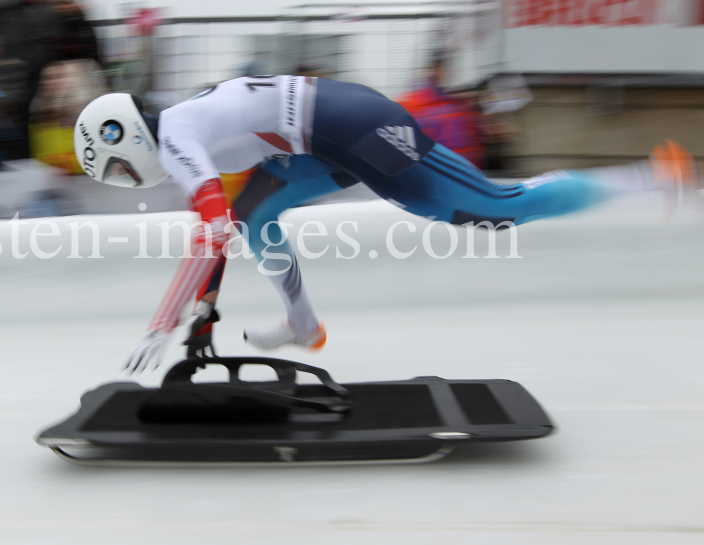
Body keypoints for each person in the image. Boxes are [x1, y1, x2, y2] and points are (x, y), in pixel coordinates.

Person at [73, 76, 697, 373]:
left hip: (351, 127)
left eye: (123, 172)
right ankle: (303, 325)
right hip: (322, 133)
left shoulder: (178, 137)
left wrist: (163, 325)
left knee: (492, 209)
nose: (132, 181)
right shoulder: (180, 131)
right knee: (257, 217)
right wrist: (203, 306)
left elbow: (207, 238)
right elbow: (216, 236)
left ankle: (649, 176)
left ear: (124, 137)